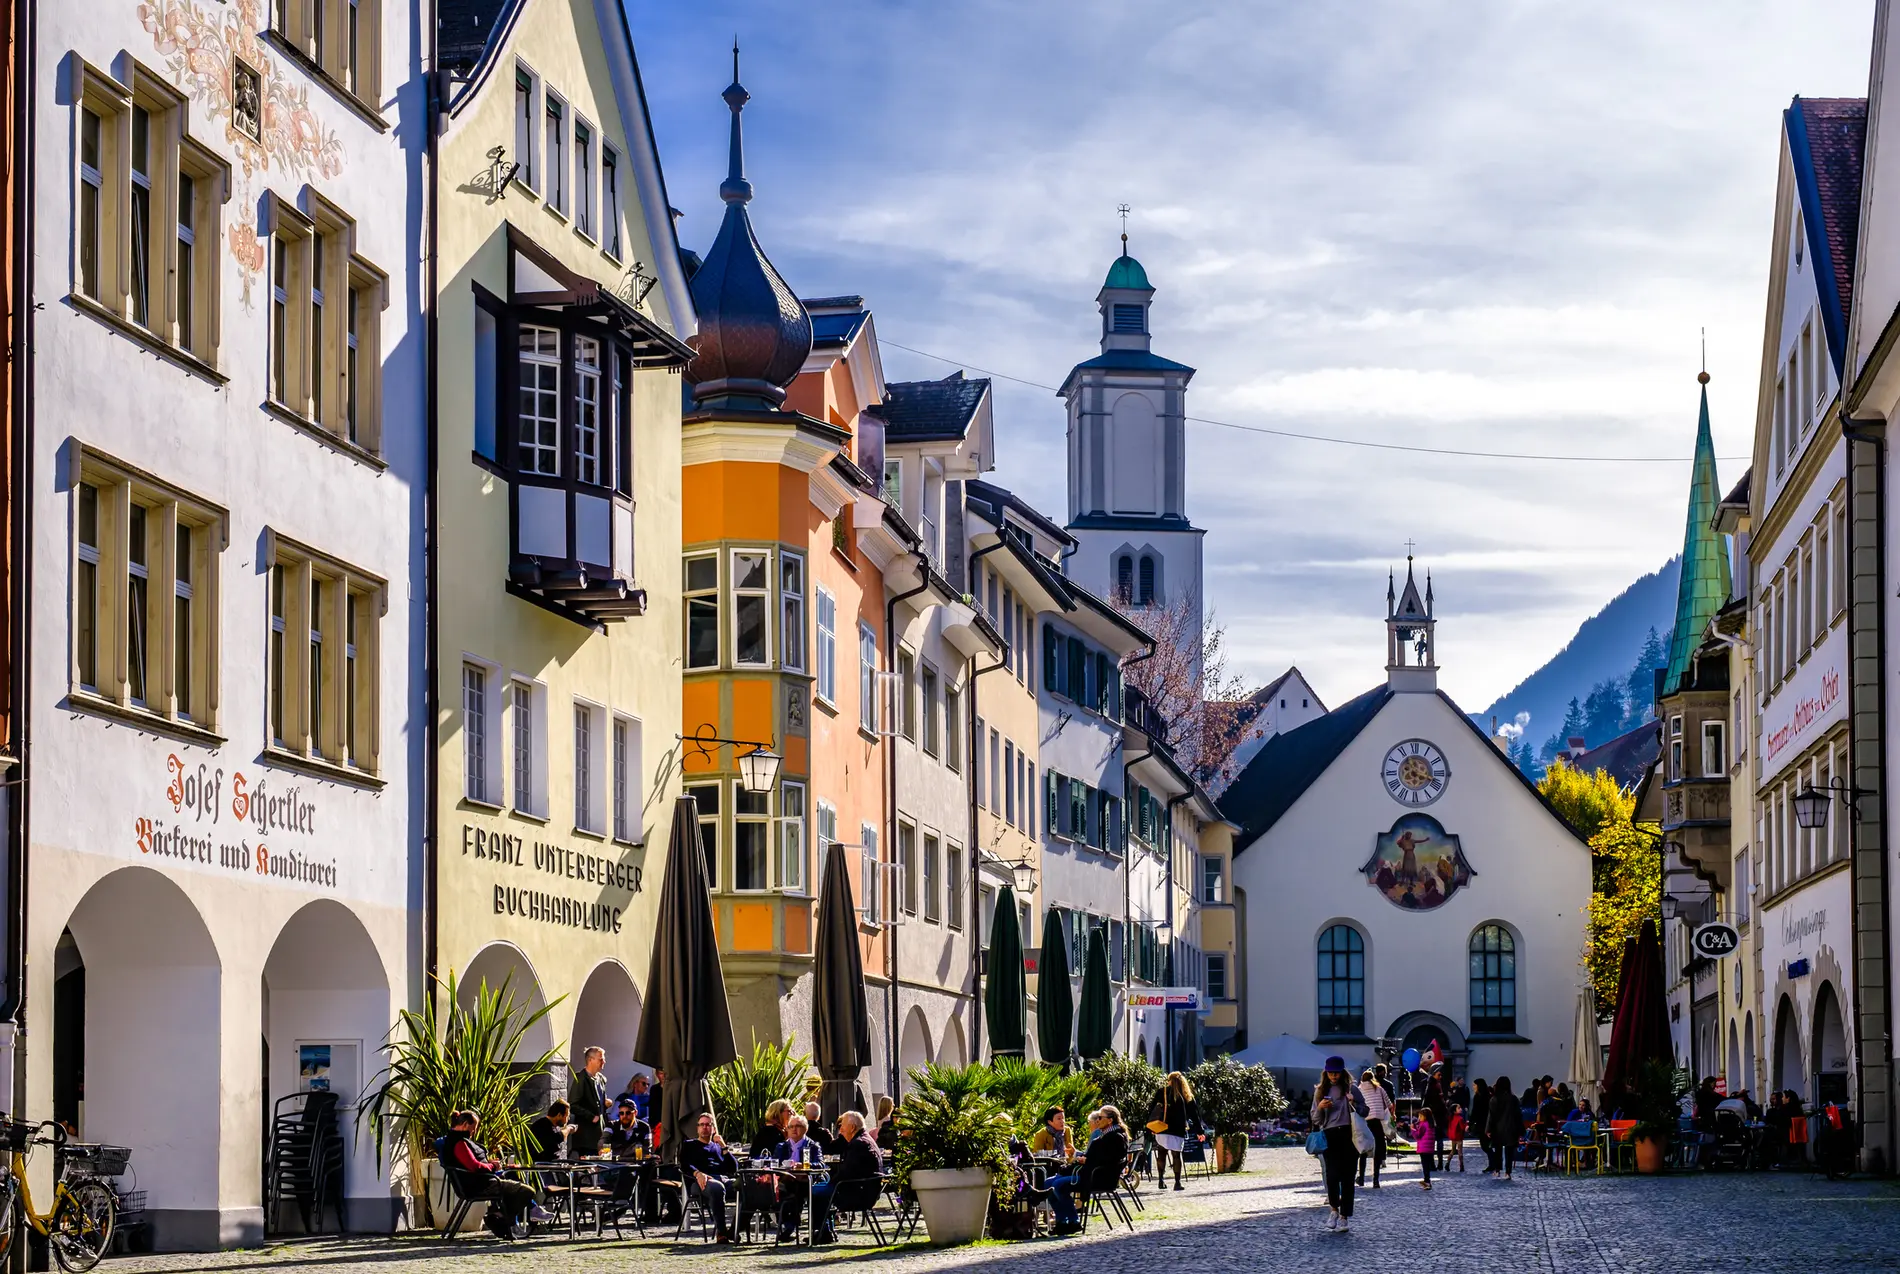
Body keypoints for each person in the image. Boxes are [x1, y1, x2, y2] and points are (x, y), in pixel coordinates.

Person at [439, 1109, 553, 1229]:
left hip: (478, 1181)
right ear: (465, 1125)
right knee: (526, 1190)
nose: (474, 1132)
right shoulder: (459, 1143)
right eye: (473, 1128)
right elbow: (475, 1166)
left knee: (512, 1175)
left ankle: (522, 1214)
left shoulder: (453, 1140)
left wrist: (491, 1164)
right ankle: (503, 1216)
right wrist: (493, 1166)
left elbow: (470, 1163)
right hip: (480, 1185)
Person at [1049, 1105, 1128, 1236]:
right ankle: (1063, 1221)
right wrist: (1083, 1158)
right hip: (1089, 1173)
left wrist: (1087, 1161)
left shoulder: (1116, 1137)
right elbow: (1096, 1156)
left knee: (1058, 1185)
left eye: (1100, 1117)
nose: (1097, 1121)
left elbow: (1109, 1160)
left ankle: (1073, 1221)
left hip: (1099, 1178)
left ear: (1110, 1120)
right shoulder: (1104, 1136)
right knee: (1048, 1184)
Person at [1311, 1057, 1369, 1233]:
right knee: (1332, 1176)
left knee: (1348, 1178)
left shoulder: (1352, 1089)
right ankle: (1334, 1210)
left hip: (1350, 1136)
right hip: (1330, 1135)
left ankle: (1344, 1216)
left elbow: (1365, 1111)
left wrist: (1353, 1102)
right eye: (1330, 1072)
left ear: (1342, 1072)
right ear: (1326, 1072)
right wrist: (1320, 1107)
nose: (1333, 1076)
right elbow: (1315, 1118)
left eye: (1336, 1072)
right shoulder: (1321, 1091)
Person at [807, 1111, 881, 1244]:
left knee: (814, 1191)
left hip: (857, 1193)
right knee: (820, 1188)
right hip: (863, 1189)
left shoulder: (859, 1144)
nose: (840, 1130)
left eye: (843, 1126)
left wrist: (832, 1182)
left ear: (852, 1128)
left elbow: (847, 1172)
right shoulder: (865, 1140)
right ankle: (825, 1230)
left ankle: (824, 1231)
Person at [679, 1111, 739, 1244]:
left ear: (713, 1128)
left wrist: (724, 1147)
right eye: (702, 1125)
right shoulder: (690, 1145)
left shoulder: (718, 1147)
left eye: (708, 1125)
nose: (705, 1127)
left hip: (722, 1179)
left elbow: (733, 1169)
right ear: (697, 1128)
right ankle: (722, 1233)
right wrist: (698, 1173)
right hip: (699, 1182)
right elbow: (684, 1164)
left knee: (744, 1186)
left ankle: (734, 1230)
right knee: (717, 1187)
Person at [771, 1113, 826, 1240]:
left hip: (806, 1181)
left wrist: (804, 1166)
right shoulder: (781, 1147)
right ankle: (789, 1225)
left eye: (798, 1126)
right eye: (791, 1126)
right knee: (776, 1193)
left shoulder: (812, 1146)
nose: (794, 1129)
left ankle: (791, 1227)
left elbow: (821, 1164)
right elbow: (774, 1164)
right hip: (785, 1180)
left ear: (805, 1129)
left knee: (796, 1192)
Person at [1146, 1072, 1203, 1191]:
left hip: (1162, 1127)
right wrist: (1199, 1131)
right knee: (1177, 1156)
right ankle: (1177, 1182)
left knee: (1161, 1154)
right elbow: (1194, 1114)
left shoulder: (1162, 1092)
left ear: (1170, 1080)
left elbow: (1151, 1109)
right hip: (1178, 1129)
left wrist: (1149, 1127)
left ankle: (1161, 1180)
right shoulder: (1186, 1095)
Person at [568, 1045, 609, 1156]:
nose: (604, 1061)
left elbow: (598, 1101)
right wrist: (590, 1116)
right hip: (586, 1137)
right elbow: (572, 1105)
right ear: (590, 1060)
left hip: (600, 1133)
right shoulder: (581, 1079)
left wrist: (605, 1103)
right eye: (600, 1059)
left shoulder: (600, 1079)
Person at [1356, 1069, 1391, 1189]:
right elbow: (1389, 1104)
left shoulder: (1359, 1090)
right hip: (1377, 1122)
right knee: (1378, 1150)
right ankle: (1376, 1180)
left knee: (1364, 1150)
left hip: (1365, 1122)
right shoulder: (1379, 1089)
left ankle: (1361, 1178)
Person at [1488, 1074, 1525, 1179]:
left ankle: (1497, 1169)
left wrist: (1488, 1129)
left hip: (1497, 1128)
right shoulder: (1513, 1099)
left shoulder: (1494, 1099)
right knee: (1509, 1151)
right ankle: (1508, 1172)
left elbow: (1491, 1116)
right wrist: (1521, 1130)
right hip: (1511, 1127)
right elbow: (1518, 1115)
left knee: (1498, 1150)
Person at [1471, 1078, 1492, 1174]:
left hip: (1482, 1123)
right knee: (1486, 1144)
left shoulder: (1478, 1097)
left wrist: (1471, 1123)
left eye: (1475, 1085)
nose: (1473, 1087)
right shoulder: (1487, 1096)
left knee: (1485, 1145)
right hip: (1486, 1122)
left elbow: (1475, 1111)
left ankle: (1493, 1162)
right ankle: (1493, 1163)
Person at [1413, 1105, 1436, 1190]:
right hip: (1429, 1149)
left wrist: (1412, 1129)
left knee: (1425, 1165)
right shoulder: (1431, 1124)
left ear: (1425, 1117)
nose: (1419, 1118)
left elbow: (1418, 1136)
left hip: (1424, 1148)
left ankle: (1427, 1181)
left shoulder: (1423, 1124)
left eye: (1420, 1116)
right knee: (1427, 1165)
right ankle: (1427, 1181)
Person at [1447, 1105, 1467, 1172]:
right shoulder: (1460, 1118)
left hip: (1453, 1137)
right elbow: (1462, 1128)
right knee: (1460, 1152)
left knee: (1453, 1150)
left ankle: (1447, 1163)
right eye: (1459, 1108)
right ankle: (1461, 1166)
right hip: (1459, 1137)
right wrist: (1466, 1125)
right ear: (1455, 1110)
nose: (1460, 1109)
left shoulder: (1451, 1117)